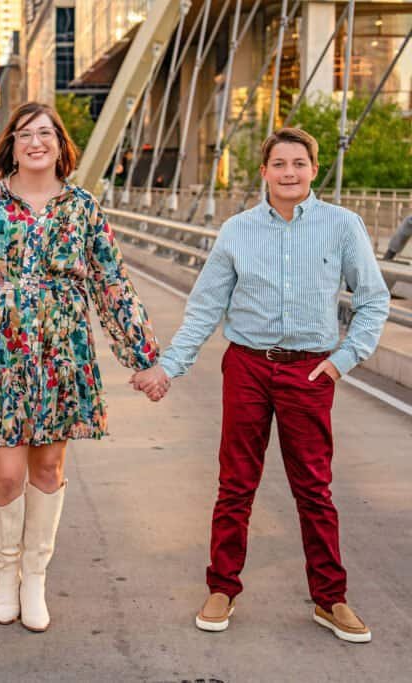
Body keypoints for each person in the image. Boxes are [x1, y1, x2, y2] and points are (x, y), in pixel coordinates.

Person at [0, 102, 160, 632]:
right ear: (12, 146)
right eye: (25, 134)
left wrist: (143, 358)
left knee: (48, 470)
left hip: (62, 353)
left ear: (60, 144)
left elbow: (111, 283)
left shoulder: (83, 208)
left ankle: (35, 578)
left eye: (46, 133)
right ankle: (5, 571)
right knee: (6, 475)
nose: (36, 142)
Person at [131, 128, 390, 643]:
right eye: (278, 164)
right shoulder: (237, 231)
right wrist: (168, 367)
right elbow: (206, 307)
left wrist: (342, 361)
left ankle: (330, 598)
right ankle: (222, 587)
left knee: (314, 488)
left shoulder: (343, 226)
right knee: (236, 485)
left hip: (310, 370)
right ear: (265, 171)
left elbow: (374, 299)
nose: (289, 172)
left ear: (314, 169)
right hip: (247, 367)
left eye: (298, 163)